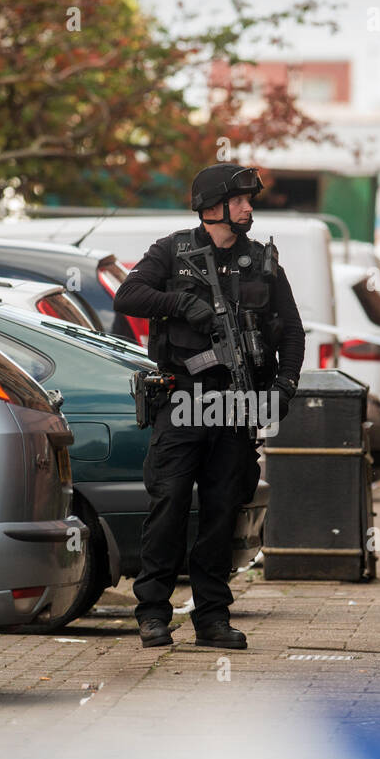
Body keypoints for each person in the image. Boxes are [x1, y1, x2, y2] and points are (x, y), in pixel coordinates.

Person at [113, 163, 305, 650]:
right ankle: (153, 613)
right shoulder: (172, 251)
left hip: (238, 405)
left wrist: (284, 386)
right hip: (183, 400)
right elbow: (128, 295)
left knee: (223, 510)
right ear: (212, 206)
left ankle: (212, 618)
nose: (248, 208)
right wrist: (182, 304)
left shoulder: (260, 261)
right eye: (239, 200)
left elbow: (293, 330)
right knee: (169, 504)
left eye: (248, 200)